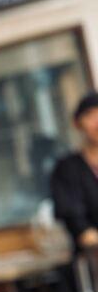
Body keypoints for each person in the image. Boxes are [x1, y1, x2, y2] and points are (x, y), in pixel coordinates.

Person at [51, 92, 98, 252]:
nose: (97, 122)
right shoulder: (67, 168)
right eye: (90, 115)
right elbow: (76, 221)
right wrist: (86, 234)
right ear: (77, 124)